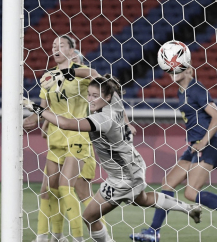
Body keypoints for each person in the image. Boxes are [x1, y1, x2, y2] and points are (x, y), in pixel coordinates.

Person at [24, 76, 202, 242]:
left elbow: (66, 124)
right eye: (89, 95)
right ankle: (188, 209)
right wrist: (63, 76)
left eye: (95, 96)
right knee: (143, 199)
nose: (90, 99)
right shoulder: (114, 102)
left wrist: (35, 108)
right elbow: (104, 82)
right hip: (134, 165)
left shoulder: (103, 119)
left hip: (122, 177)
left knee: (89, 217)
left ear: (107, 97)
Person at [24, 36, 101, 242]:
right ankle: (49, 237)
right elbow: (44, 108)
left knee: (68, 187)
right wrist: (29, 118)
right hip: (55, 139)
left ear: (71, 50)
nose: (56, 48)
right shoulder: (48, 77)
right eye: (53, 45)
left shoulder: (80, 71)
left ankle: (77, 238)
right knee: (48, 191)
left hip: (76, 136)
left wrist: (66, 72)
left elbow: (96, 75)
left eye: (61, 45)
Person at [129, 66, 217, 242]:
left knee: (191, 193)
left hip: (208, 143)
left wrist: (203, 142)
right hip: (195, 145)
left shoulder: (196, 89)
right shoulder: (181, 92)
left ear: (188, 70)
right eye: (169, 70)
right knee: (167, 183)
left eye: (177, 70)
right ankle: (153, 232)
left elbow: (216, 116)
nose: (172, 74)